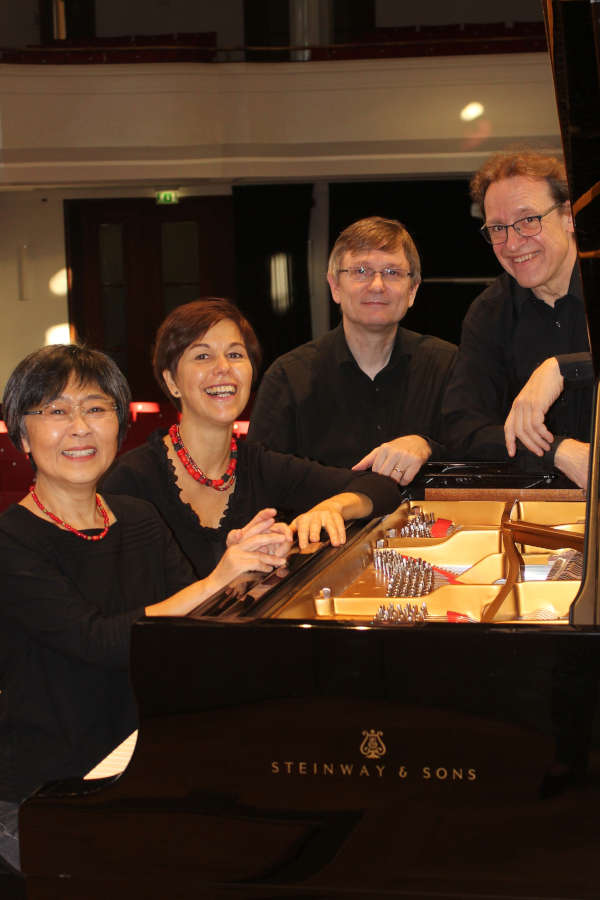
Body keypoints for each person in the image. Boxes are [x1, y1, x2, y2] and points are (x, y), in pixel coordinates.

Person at [0, 344, 291, 872]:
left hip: (144, 770)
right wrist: (215, 580)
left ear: (119, 422)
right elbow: (99, 642)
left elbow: (192, 633)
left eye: (96, 407)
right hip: (48, 794)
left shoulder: (137, 517)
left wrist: (244, 571)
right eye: (56, 411)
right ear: (22, 434)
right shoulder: (11, 541)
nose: (80, 427)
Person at [102, 298, 399, 579]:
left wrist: (332, 507)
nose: (223, 368)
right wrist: (228, 575)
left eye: (235, 354)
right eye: (202, 356)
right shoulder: (130, 480)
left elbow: (381, 488)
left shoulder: (260, 466)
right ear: (171, 381)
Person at [247, 216, 457, 485]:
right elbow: (261, 477)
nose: (378, 285)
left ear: (412, 290)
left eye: (392, 272)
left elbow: (482, 456)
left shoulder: (448, 366)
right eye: (361, 271)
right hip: (321, 525)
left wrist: (427, 445)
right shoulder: (288, 377)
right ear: (335, 286)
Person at [443, 150, 592, 488]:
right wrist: (557, 451)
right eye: (498, 228)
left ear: (569, 217)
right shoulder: (489, 313)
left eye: (528, 220)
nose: (512, 243)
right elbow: (463, 430)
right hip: (537, 509)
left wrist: (562, 369)